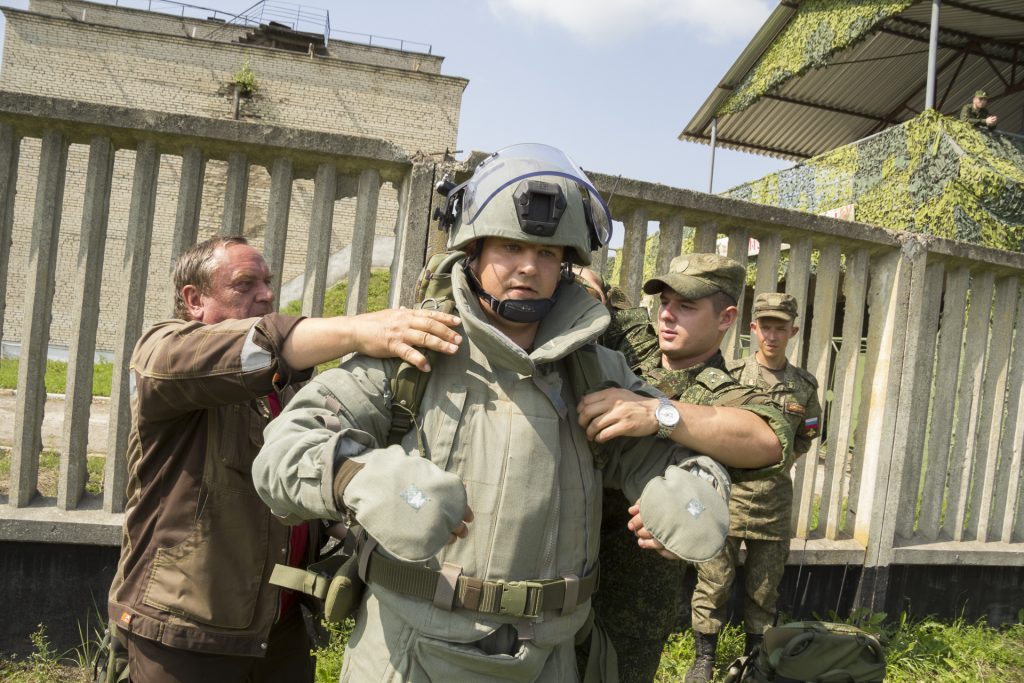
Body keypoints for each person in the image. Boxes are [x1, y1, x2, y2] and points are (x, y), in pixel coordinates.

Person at [251, 144, 735, 682]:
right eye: (510, 246)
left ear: (566, 267)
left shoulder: (597, 371)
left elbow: (669, 455)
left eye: (549, 254)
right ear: (474, 253)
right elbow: (283, 451)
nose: (530, 266)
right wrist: (356, 476)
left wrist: (697, 487)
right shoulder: (415, 352)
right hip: (411, 653)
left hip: (551, 658)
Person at [106, 235, 464, 683]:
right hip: (183, 632)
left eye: (269, 282)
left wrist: (385, 512)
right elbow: (263, 344)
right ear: (194, 299)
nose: (266, 294)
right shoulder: (164, 353)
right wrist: (362, 331)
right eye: (245, 283)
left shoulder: (284, 390)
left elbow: (303, 486)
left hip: (278, 628)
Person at [577, 254, 794, 683]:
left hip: (630, 608)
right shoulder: (636, 346)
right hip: (563, 579)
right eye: (665, 302)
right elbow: (594, 287)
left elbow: (768, 438)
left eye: (687, 306)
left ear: (726, 318)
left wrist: (660, 414)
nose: (668, 315)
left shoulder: (723, 393)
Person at [715, 293, 821, 651]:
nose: (772, 336)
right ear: (753, 328)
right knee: (714, 582)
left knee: (764, 588)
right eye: (765, 327)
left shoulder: (804, 386)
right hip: (727, 496)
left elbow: (808, 433)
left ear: (793, 331)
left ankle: (754, 658)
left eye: (780, 328)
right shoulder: (729, 377)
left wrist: (781, 460)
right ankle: (705, 656)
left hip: (774, 503)